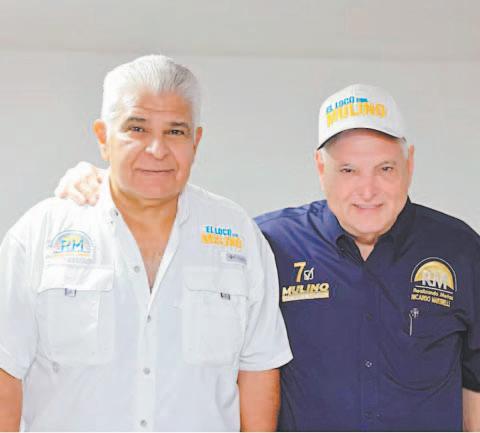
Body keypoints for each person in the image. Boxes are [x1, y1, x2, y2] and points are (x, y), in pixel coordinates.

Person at [58, 83, 480, 431]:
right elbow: (165, 243)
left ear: (409, 163)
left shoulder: (459, 248)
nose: (367, 191)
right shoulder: (266, 242)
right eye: (348, 170)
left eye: (385, 169)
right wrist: (113, 185)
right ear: (320, 168)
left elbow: (475, 381)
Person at [0, 55, 292, 432]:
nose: (157, 149)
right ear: (103, 137)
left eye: (175, 132)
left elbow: (258, 370)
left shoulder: (238, 235)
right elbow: (6, 371)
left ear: (196, 141)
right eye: (136, 128)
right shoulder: (41, 233)